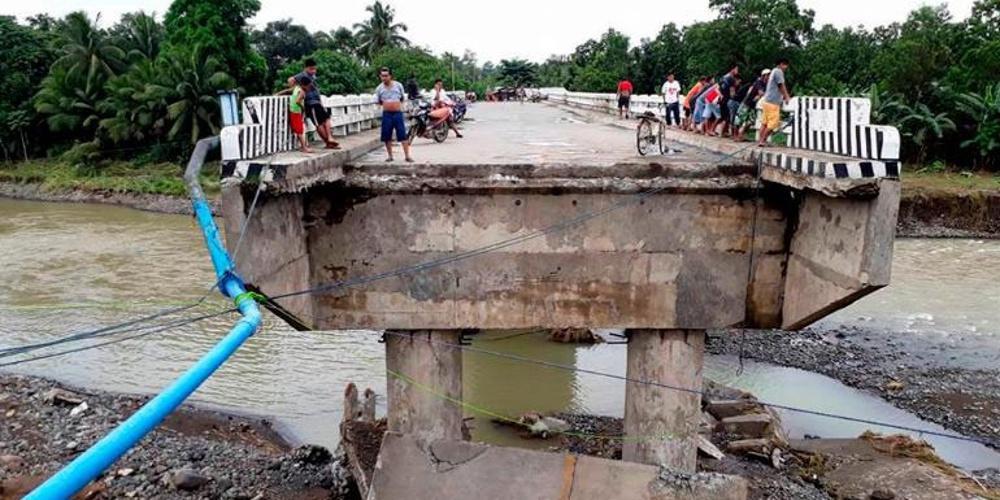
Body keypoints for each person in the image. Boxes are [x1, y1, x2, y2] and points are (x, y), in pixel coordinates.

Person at [286, 58, 339, 149]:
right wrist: (296, 89)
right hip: (310, 103)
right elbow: (290, 80)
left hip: (317, 101)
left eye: (315, 69)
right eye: (311, 69)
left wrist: (320, 101)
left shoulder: (313, 76)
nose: (313, 71)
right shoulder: (302, 75)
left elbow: (316, 90)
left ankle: (329, 139)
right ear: (306, 68)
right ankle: (328, 142)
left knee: (326, 119)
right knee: (318, 124)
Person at [376, 67, 413, 162]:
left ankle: (407, 155)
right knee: (386, 135)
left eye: (386, 76)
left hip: (397, 113)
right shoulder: (379, 88)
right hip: (387, 114)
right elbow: (378, 101)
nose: (384, 78)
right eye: (382, 76)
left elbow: (402, 98)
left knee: (402, 134)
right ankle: (390, 156)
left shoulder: (398, 85)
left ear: (390, 76)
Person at [758, 58, 791, 147]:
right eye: (785, 65)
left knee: (764, 123)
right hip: (773, 102)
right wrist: (786, 96)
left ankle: (760, 141)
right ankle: (763, 140)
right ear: (781, 64)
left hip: (767, 101)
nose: (785, 67)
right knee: (773, 124)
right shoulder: (778, 72)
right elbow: (781, 85)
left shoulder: (773, 71)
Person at [734, 69, 770, 142]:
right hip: (747, 103)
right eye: (768, 75)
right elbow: (761, 93)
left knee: (750, 121)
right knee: (739, 120)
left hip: (753, 105)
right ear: (764, 76)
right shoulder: (759, 82)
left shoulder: (766, 84)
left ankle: (741, 135)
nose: (769, 76)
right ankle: (737, 136)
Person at [289, 74, 312, 153]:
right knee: (300, 131)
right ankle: (304, 148)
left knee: (299, 129)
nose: (309, 88)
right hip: (296, 112)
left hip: (293, 111)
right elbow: (298, 101)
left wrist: (278, 93)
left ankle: (303, 146)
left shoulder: (296, 88)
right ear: (304, 85)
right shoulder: (302, 92)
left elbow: (288, 91)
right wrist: (303, 108)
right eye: (308, 86)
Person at [717, 65, 739, 136]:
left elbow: (718, 87)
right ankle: (722, 132)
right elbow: (732, 91)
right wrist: (734, 96)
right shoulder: (731, 78)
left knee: (724, 116)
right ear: (732, 69)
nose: (737, 71)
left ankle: (724, 132)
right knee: (727, 117)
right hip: (727, 99)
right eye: (736, 69)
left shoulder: (724, 77)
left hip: (721, 98)